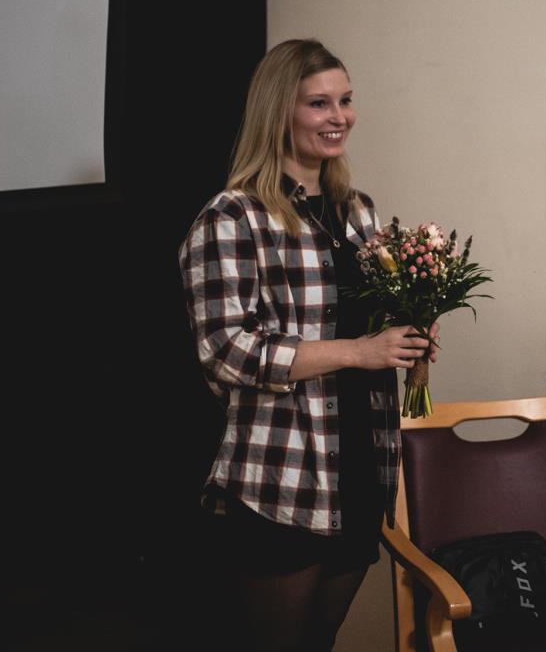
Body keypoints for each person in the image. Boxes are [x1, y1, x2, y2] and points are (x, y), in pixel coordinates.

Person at [180, 39, 436, 650]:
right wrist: (358, 351)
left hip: (363, 468)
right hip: (282, 477)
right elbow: (225, 350)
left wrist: (414, 333)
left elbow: (375, 322)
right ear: (279, 112)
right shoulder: (232, 218)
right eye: (319, 103)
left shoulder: (358, 212)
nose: (339, 116)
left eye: (345, 100)